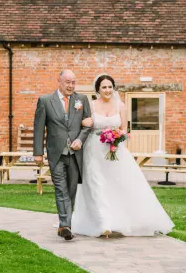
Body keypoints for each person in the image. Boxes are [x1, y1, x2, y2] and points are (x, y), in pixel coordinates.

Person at [71, 74, 174, 237]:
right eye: (104, 87)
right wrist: (83, 121)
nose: (107, 90)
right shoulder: (90, 105)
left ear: (113, 88)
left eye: (110, 87)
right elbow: (84, 123)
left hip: (114, 150)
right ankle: (103, 223)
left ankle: (121, 219)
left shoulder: (121, 106)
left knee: (117, 184)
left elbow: (124, 129)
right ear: (98, 89)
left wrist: (116, 137)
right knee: (96, 184)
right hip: (94, 150)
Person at [33, 69, 92, 241]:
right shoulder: (45, 101)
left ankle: (63, 225)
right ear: (58, 81)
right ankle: (66, 225)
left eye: (73, 82)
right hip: (56, 153)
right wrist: (38, 153)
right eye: (68, 82)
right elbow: (39, 128)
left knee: (72, 189)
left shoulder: (82, 100)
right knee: (61, 188)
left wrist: (80, 140)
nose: (71, 86)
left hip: (75, 154)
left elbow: (87, 124)